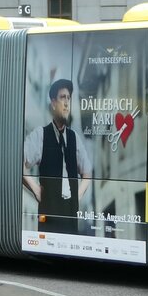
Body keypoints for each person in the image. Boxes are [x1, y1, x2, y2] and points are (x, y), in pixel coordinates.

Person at [22, 78, 92, 234]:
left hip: (70, 216)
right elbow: (18, 162)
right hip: (49, 215)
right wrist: (35, 189)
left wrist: (77, 196)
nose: (67, 103)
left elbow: (87, 173)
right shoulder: (40, 135)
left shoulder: (75, 139)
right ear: (53, 103)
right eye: (62, 97)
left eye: (68, 98)